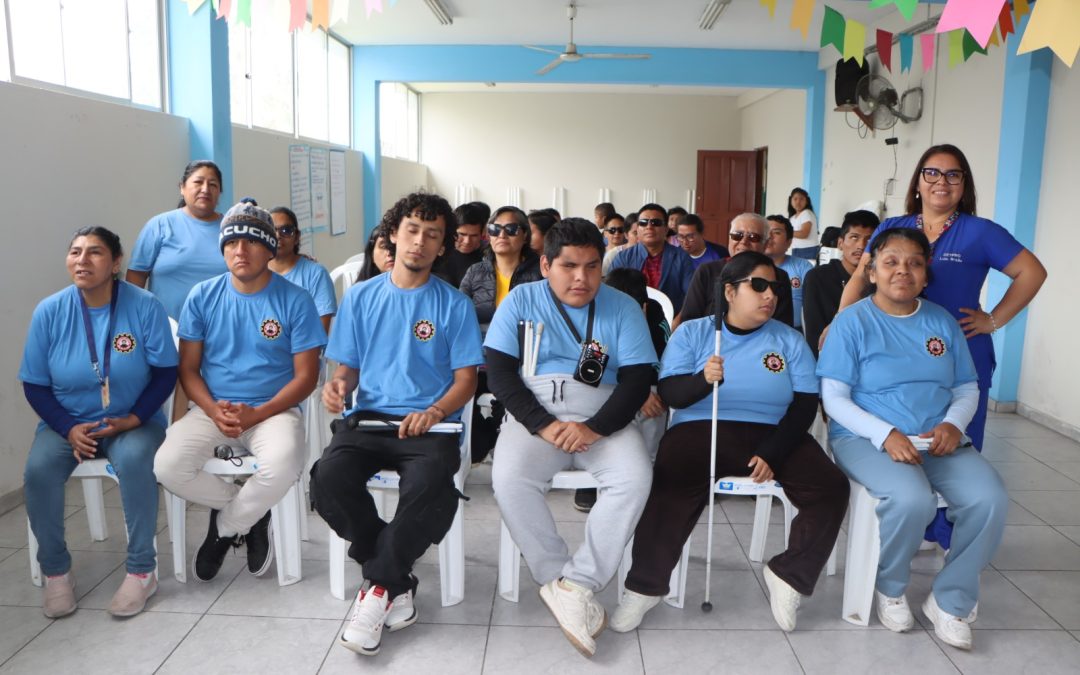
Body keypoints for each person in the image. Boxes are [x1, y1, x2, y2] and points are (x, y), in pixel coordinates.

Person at [611, 251, 847, 634]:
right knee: (670, 486)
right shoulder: (694, 333)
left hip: (775, 432)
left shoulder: (789, 339)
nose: (769, 295)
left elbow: (805, 404)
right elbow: (671, 393)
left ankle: (789, 574)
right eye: (759, 285)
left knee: (831, 487)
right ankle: (644, 587)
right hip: (702, 428)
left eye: (775, 287)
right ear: (730, 292)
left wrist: (774, 452)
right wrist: (702, 380)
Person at [836, 144, 1046, 548]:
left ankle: (948, 534)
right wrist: (842, 321)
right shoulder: (893, 226)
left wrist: (993, 320)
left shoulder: (980, 232)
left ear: (964, 184)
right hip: (897, 355)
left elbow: (1032, 272)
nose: (941, 182)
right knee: (905, 436)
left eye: (953, 174)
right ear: (918, 181)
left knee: (953, 442)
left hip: (961, 354)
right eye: (932, 173)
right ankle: (914, 521)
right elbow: (861, 276)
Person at [309, 192, 483, 657]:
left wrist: (435, 411)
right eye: (412, 230)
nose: (420, 242)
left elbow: (466, 380)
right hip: (368, 421)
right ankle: (392, 577)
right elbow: (346, 369)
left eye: (433, 235)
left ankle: (377, 589)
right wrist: (337, 386)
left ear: (443, 246)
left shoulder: (454, 305)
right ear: (393, 234)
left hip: (430, 427)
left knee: (430, 485)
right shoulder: (361, 297)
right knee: (328, 477)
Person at [820, 228, 1008, 651]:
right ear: (872, 272)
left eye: (914, 263)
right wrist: (884, 433)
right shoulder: (852, 322)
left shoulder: (942, 322)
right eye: (891, 262)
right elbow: (834, 398)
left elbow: (966, 386)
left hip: (937, 439)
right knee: (912, 499)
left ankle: (950, 599)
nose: (902, 270)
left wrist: (954, 424)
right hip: (866, 438)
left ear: (926, 275)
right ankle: (890, 587)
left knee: (989, 498)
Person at [486, 219, 657, 658]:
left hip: (604, 414)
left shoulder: (622, 307)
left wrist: (594, 427)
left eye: (592, 266)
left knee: (635, 478)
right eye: (569, 266)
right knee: (509, 480)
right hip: (536, 412)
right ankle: (556, 577)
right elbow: (500, 373)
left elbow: (638, 380)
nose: (582, 278)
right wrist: (543, 424)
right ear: (546, 265)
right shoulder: (521, 300)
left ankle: (579, 582)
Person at [153, 201, 326, 583]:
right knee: (167, 466)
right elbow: (188, 369)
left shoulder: (295, 299)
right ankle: (254, 514)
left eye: (251, 242)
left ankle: (225, 528)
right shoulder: (202, 295)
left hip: (274, 410)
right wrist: (213, 409)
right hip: (213, 409)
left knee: (283, 463)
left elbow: (306, 377)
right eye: (231, 243)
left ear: (270, 249)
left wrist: (257, 414)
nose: (240, 250)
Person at [20, 227, 178, 618]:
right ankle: (56, 572)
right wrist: (67, 427)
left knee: (137, 461)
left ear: (116, 262)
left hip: (133, 420)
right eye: (75, 252)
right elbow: (35, 384)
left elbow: (165, 373)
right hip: (68, 423)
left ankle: (142, 571)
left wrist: (134, 418)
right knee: (38, 471)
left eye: (94, 252)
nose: (82, 260)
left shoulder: (144, 306)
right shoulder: (50, 311)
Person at [573, 267, 670, 513]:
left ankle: (648, 469)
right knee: (590, 398)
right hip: (607, 386)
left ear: (643, 307)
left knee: (655, 400)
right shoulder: (596, 315)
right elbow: (588, 374)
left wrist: (642, 392)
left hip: (642, 384)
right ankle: (590, 474)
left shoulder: (654, 315)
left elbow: (662, 364)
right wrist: (636, 393)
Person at [126, 161, 227, 320]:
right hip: (164, 328)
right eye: (198, 182)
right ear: (182, 187)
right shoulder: (159, 225)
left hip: (221, 327)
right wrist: (136, 319)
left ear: (219, 192)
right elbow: (136, 277)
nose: (205, 189)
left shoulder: (231, 229)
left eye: (213, 184)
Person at [677, 213, 795, 329]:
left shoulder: (778, 276)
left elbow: (783, 327)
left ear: (765, 244)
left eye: (753, 237)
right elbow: (689, 320)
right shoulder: (707, 271)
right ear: (729, 238)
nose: (744, 241)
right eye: (737, 235)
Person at [802, 210, 879, 357]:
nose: (861, 245)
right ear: (840, 243)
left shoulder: (881, 281)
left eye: (869, 240)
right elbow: (814, 333)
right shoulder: (818, 277)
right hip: (831, 357)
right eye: (854, 237)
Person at [460, 206, 542, 326]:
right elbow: (459, 313)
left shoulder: (540, 273)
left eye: (511, 229)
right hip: (480, 337)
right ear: (489, 236)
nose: (502, 235)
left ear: (525, 235)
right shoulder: (475, 272)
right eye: (495, 229)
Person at [609, 204, 694, 314]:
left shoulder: (682, 257)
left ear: (666, 229)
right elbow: (612, 294)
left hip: (671, 319)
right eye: (643, 223)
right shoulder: (623, 258)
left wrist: (678, 320)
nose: (649, 227)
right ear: (637, 229)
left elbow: (690, 296)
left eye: (656, 222)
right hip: (630, 317)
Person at [268, 206, 336, 333]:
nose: (278, 236)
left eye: (286, 230)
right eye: (272, 230)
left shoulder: (316, 274)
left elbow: (320, 333)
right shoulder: (255, 273)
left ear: (297, 236)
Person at [764, 214, 814, 332]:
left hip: (795, 330)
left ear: (789, 242)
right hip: (758, 330)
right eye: (765, 232)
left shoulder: (803, 266)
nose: (769, 236)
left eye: (776, 232)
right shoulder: (750, 267)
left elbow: (813, 303)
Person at [436, 201, 489, 287]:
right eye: (462, 234)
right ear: (451, 230)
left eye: (474, 235)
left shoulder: (489, 258)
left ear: (482, 233)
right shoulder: (436, 254)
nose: (467, 241)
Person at [787, 187, 819, 262]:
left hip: (808, 251)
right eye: (795, 199)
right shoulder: (792, 218)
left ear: (806, 201)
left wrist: (786, 232)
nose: (798, 202)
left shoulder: (806, 213)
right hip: (796, 250)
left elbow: (804, 234)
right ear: (791, 201)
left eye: (801, 199)